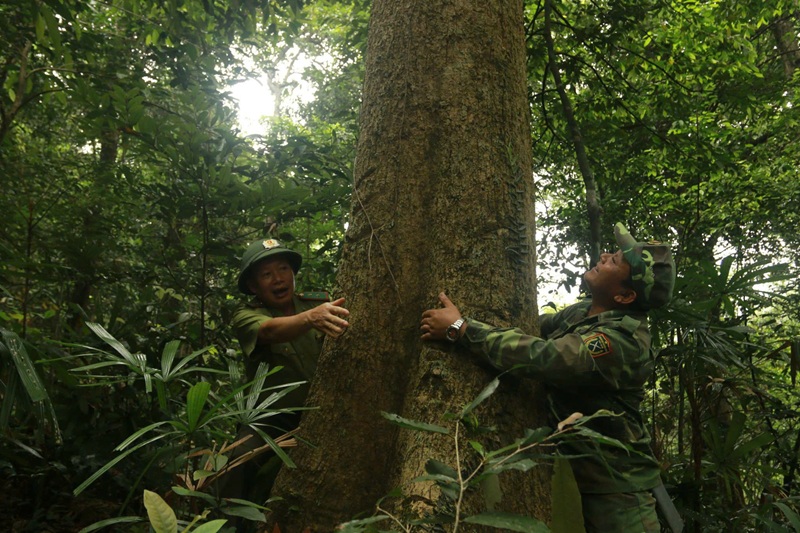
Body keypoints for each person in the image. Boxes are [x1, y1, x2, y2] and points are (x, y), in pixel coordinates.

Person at [420, 223, 679, 533]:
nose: (605, 255)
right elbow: (531, 328)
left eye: (615, 261)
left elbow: (545, 358)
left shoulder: (624, 342)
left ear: (625, 295)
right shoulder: (585, 312)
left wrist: (463, 329)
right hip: (571, 472)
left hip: (618, 488)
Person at [222, 237, 349, 505]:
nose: (278, 279)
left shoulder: (318, 303)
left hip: (325, 411)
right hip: (271, 418)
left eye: (283, 269)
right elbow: (268, 330)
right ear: (252, 286)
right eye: (266, 274)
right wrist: (310, 318)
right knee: (239, 462)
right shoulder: (245, 314)